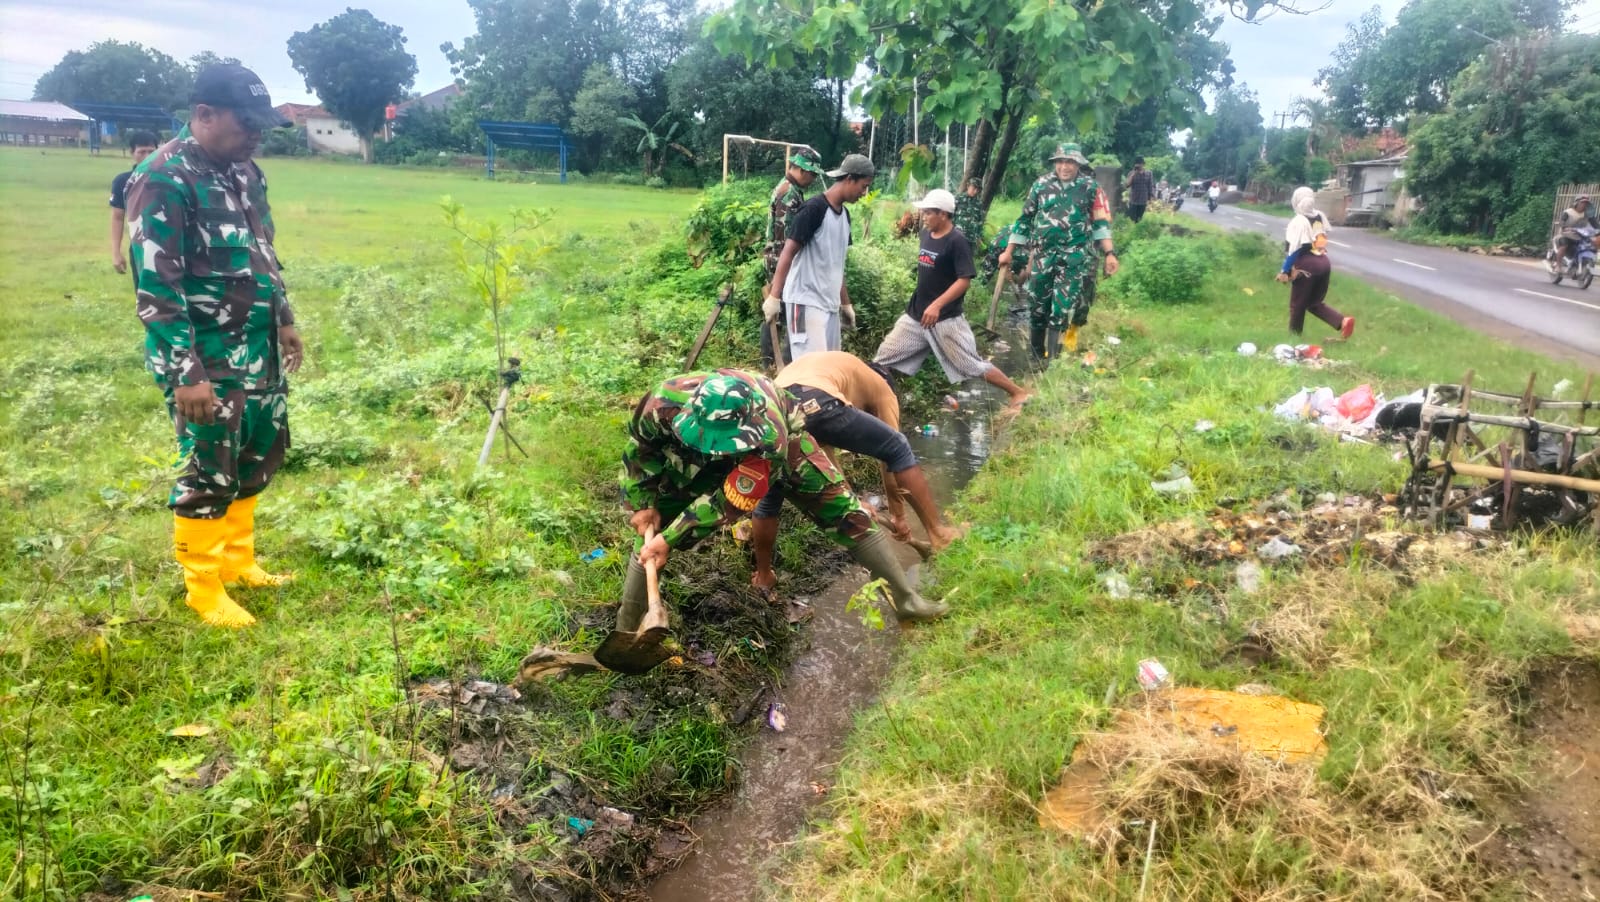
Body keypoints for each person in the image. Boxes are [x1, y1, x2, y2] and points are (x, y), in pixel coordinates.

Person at [126, 64, 301, 629]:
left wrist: (285, 319)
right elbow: (157, 287)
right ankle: (202, 588)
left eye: (260, 126)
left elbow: (264, 251)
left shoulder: (247, 172)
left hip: (258, 345)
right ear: (203, 116)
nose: (254, 135)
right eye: (244, 123)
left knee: (257, 450)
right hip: (207, 356)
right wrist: (186, 373)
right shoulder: (163, 178)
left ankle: (237, 562)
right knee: (208, 464)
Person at [620, 369, 949, 625]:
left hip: (781, 444)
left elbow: (728, 505)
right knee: (652, 528)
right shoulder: (661, 406)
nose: (719, 453)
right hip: (691, 446)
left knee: (845, 513)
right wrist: (641, 503)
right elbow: (640, 450)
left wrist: (671, 538)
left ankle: (906, 601)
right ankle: (628, 624)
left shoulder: (770, 438)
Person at [749, 351, 961, 594]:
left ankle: (764, 576)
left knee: (770, 495)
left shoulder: (835, 369)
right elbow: (891, 455)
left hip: (771, 412)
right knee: (900, 447)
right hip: (815, 399)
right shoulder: (883, 388)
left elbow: (824, 452)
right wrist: (899, 516)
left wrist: (853, 498)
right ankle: (938, 534)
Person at [874, 189, 1032, 408]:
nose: (924, 217)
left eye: (929, 213)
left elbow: (964, 280)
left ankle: (1017, 393)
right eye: (924, 212)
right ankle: (879, 404)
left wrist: (937, 305)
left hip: (945, 319)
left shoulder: (957, 241)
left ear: (943, 214)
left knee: (970, 365)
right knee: (882, 359)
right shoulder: (926, 235)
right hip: (916, 315)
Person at [997, 143, 1118, 361]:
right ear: (1055, 163)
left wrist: (1110, 253)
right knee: (1037, 305)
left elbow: (1101, 223)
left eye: (1070, 162)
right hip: (1044, 256)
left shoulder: (1090, 188)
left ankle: (1052, 360)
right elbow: (1024, 220)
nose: (1065, 166)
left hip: (1074, 258)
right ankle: (1035, 356)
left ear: (1078, 163)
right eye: (1061, 161)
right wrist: (1009, 252)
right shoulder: (1041, 185)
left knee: (1062, 309)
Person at [765, 154, 875, 360]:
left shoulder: (844, 216)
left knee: (829, 369)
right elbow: (787, 253)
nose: (864, 192)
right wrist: (774, 296)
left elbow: (836, 264)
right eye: (863, 186)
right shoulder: (814, 210)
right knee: (811, 372)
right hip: (805, 302)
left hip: (829, 305)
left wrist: (845, 304)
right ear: (849, 178)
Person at [759, 148, 826, 369]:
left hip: (778, 259)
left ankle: (775, 364)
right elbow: (785, 237)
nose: (813, 178)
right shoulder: (789, 194)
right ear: (799, 169)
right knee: (784, 314)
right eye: (811, 174)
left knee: (780, 314)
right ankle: (778, 364)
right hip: (781, 261)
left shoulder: (790, 189)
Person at [1276, 186, 1355, 340]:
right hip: (1323, 262)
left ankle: (1293, 339)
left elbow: (1295, 249)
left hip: (1307, 265)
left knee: (1297, 305)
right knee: (1313, 302)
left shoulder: (1298, 221)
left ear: (1296, 201)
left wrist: (1284, 270)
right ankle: (1342, 321)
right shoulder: (1319, 215)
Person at [110, 130, 160, 275]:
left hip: (169, 243)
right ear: (132, 153)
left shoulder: (171, 179)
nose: (147, 157)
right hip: (139, 247)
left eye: (151, 151)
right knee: (143, 293)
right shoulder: (123, 182)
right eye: (141, 152)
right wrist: (116, 253)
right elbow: (117, 217)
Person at [1554, 195, 1599, 263]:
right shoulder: (1568, 212)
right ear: (1577, 203)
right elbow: (1561, 222)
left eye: (1586, 203)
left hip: (1580, 236)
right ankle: (1558, 266)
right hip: (1565, 235)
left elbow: (1595, 224)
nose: (1584, 204)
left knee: (1590, 246)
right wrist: (1565, 227)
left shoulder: (1588, 214)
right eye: (1582, 202)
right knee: (1564, 245)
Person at [953, 177, 986, 246]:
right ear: (968, 186)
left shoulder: (978, 203)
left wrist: (979, 236)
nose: (975, 191)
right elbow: (950, 217)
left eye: (978, 189)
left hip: (971, 239)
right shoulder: (958, 199)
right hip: (957, 236)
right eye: (974, 188)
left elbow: (980, 221)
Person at [1124, 157, 1154, 223]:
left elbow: (1150, 186)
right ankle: (1131, 230)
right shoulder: (1131, 173)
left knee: (1139, 219)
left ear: (1143, 164)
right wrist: (1133, 174)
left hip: (1143, 199)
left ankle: (1137, 231)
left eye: (1140, 164)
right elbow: (1126, 185)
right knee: (1132, 219)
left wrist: (1150, 197)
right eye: (1137, 164)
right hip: (1133, 199)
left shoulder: (1149, 173)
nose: (1139, 166)